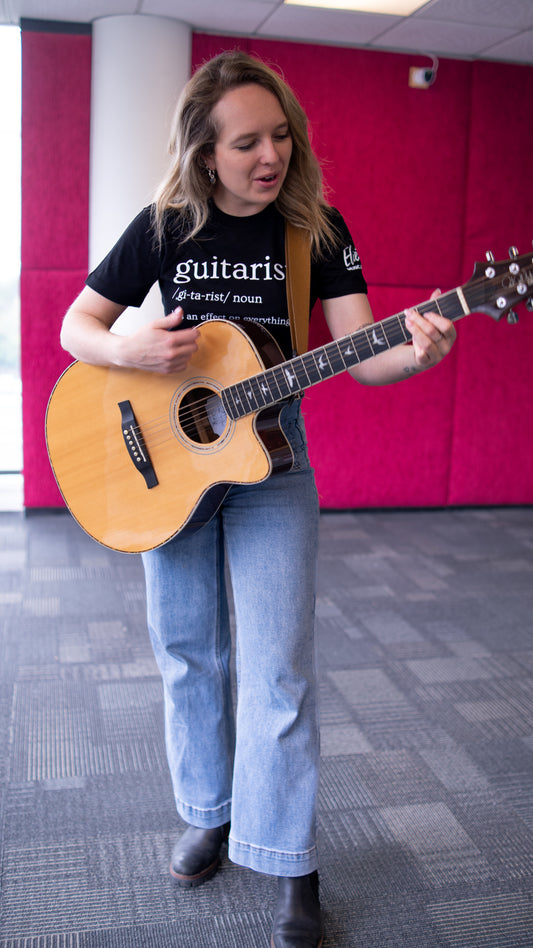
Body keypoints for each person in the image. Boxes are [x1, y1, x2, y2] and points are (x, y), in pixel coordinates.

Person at [60, 50, 456, 948]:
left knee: (279, 669)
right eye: (246, 143)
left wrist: (420, 347)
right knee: (188, 649)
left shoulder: (314, 227)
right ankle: (207, 810)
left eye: (279, 136)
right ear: (205, 152)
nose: (268, 155)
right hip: (165, 459)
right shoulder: (166, 226)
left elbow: (364, 352)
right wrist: (133, 353)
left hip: (274, 464)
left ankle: (285, 856)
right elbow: (75, 325)